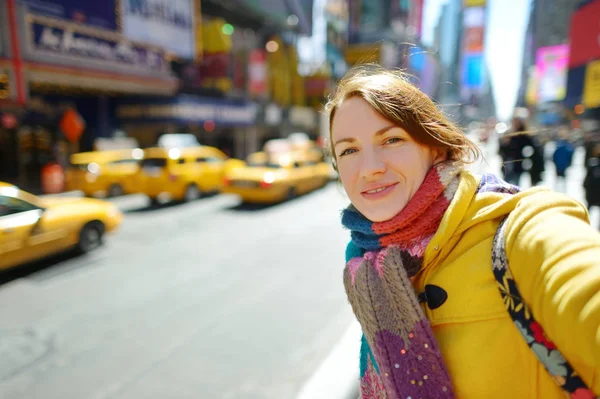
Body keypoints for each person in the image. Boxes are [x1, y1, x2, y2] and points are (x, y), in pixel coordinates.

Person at [325, 66, 600, 399]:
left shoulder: (522, 227)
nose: (369, 168)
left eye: (391, 139)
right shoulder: (366, 263)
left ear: (436, 147)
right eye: (349, 150)